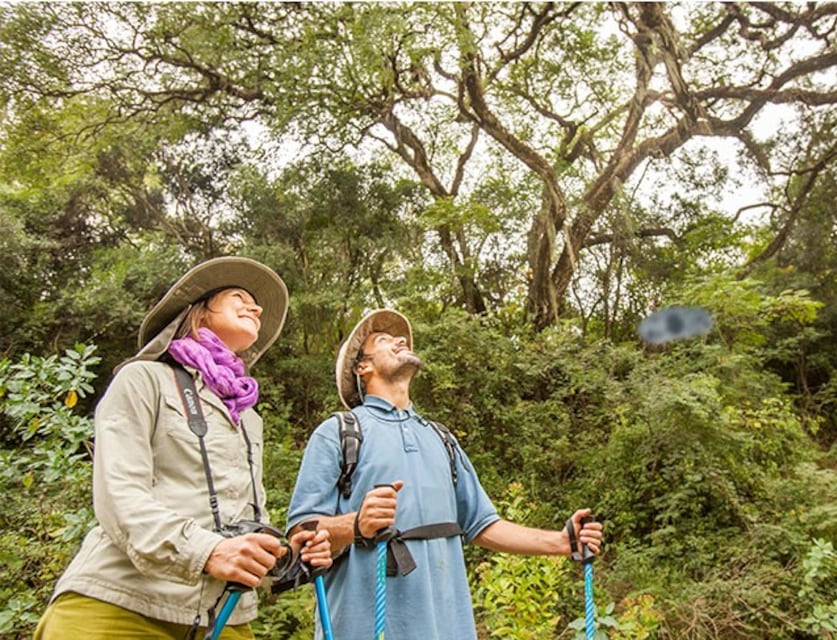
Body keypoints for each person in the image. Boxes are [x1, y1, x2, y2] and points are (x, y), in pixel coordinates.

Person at [34, 256, 332, 640]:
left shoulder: (248, 417)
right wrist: (209, 552)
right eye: (238, 296)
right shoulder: (143, 379)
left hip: (225, 617)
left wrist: (289, 553)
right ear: (199, 314)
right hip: (119, 605)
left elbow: (243, 517)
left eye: (255, 303)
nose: (255, 307)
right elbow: (120, 497)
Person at [287, 309, 603, 640]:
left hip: (449, 627)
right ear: (362, 367)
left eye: (401, 339)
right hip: (363, 627)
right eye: (383, 340)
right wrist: (356, 524)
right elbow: (301, 532)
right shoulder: (338, 432)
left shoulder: (441, 438)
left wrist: (561, 542)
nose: (400, 341)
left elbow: (482, 525)